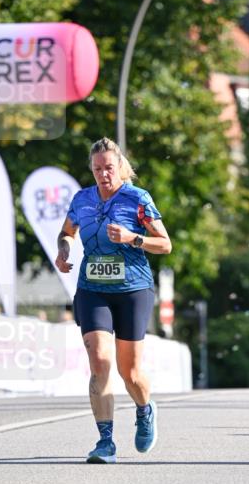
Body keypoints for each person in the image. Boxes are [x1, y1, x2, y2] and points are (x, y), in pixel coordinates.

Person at [55, 137, 172, 463]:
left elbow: (165, 244)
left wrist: (134, 238)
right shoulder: (82, 199)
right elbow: (67, 233)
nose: (103, 174)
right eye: (97, 169)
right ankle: (105, 441)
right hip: (93, 289)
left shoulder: (137, 198)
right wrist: (63, 251)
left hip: (133, 289)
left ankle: (144, 409)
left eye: (108, 168)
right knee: (99, 359)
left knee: (129, 372)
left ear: (119, 166)